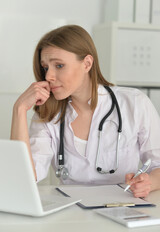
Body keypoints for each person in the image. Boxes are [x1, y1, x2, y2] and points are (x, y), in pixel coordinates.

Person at [10, 24, 160, 198]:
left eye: (58, 66)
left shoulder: (134, 103)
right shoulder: (48, 114)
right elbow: (23, 178)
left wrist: (149, 182)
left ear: (87, 63)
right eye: (45, 68)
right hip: (71, 213)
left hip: (122, 207)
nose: (48, 76)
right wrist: (19, 110)